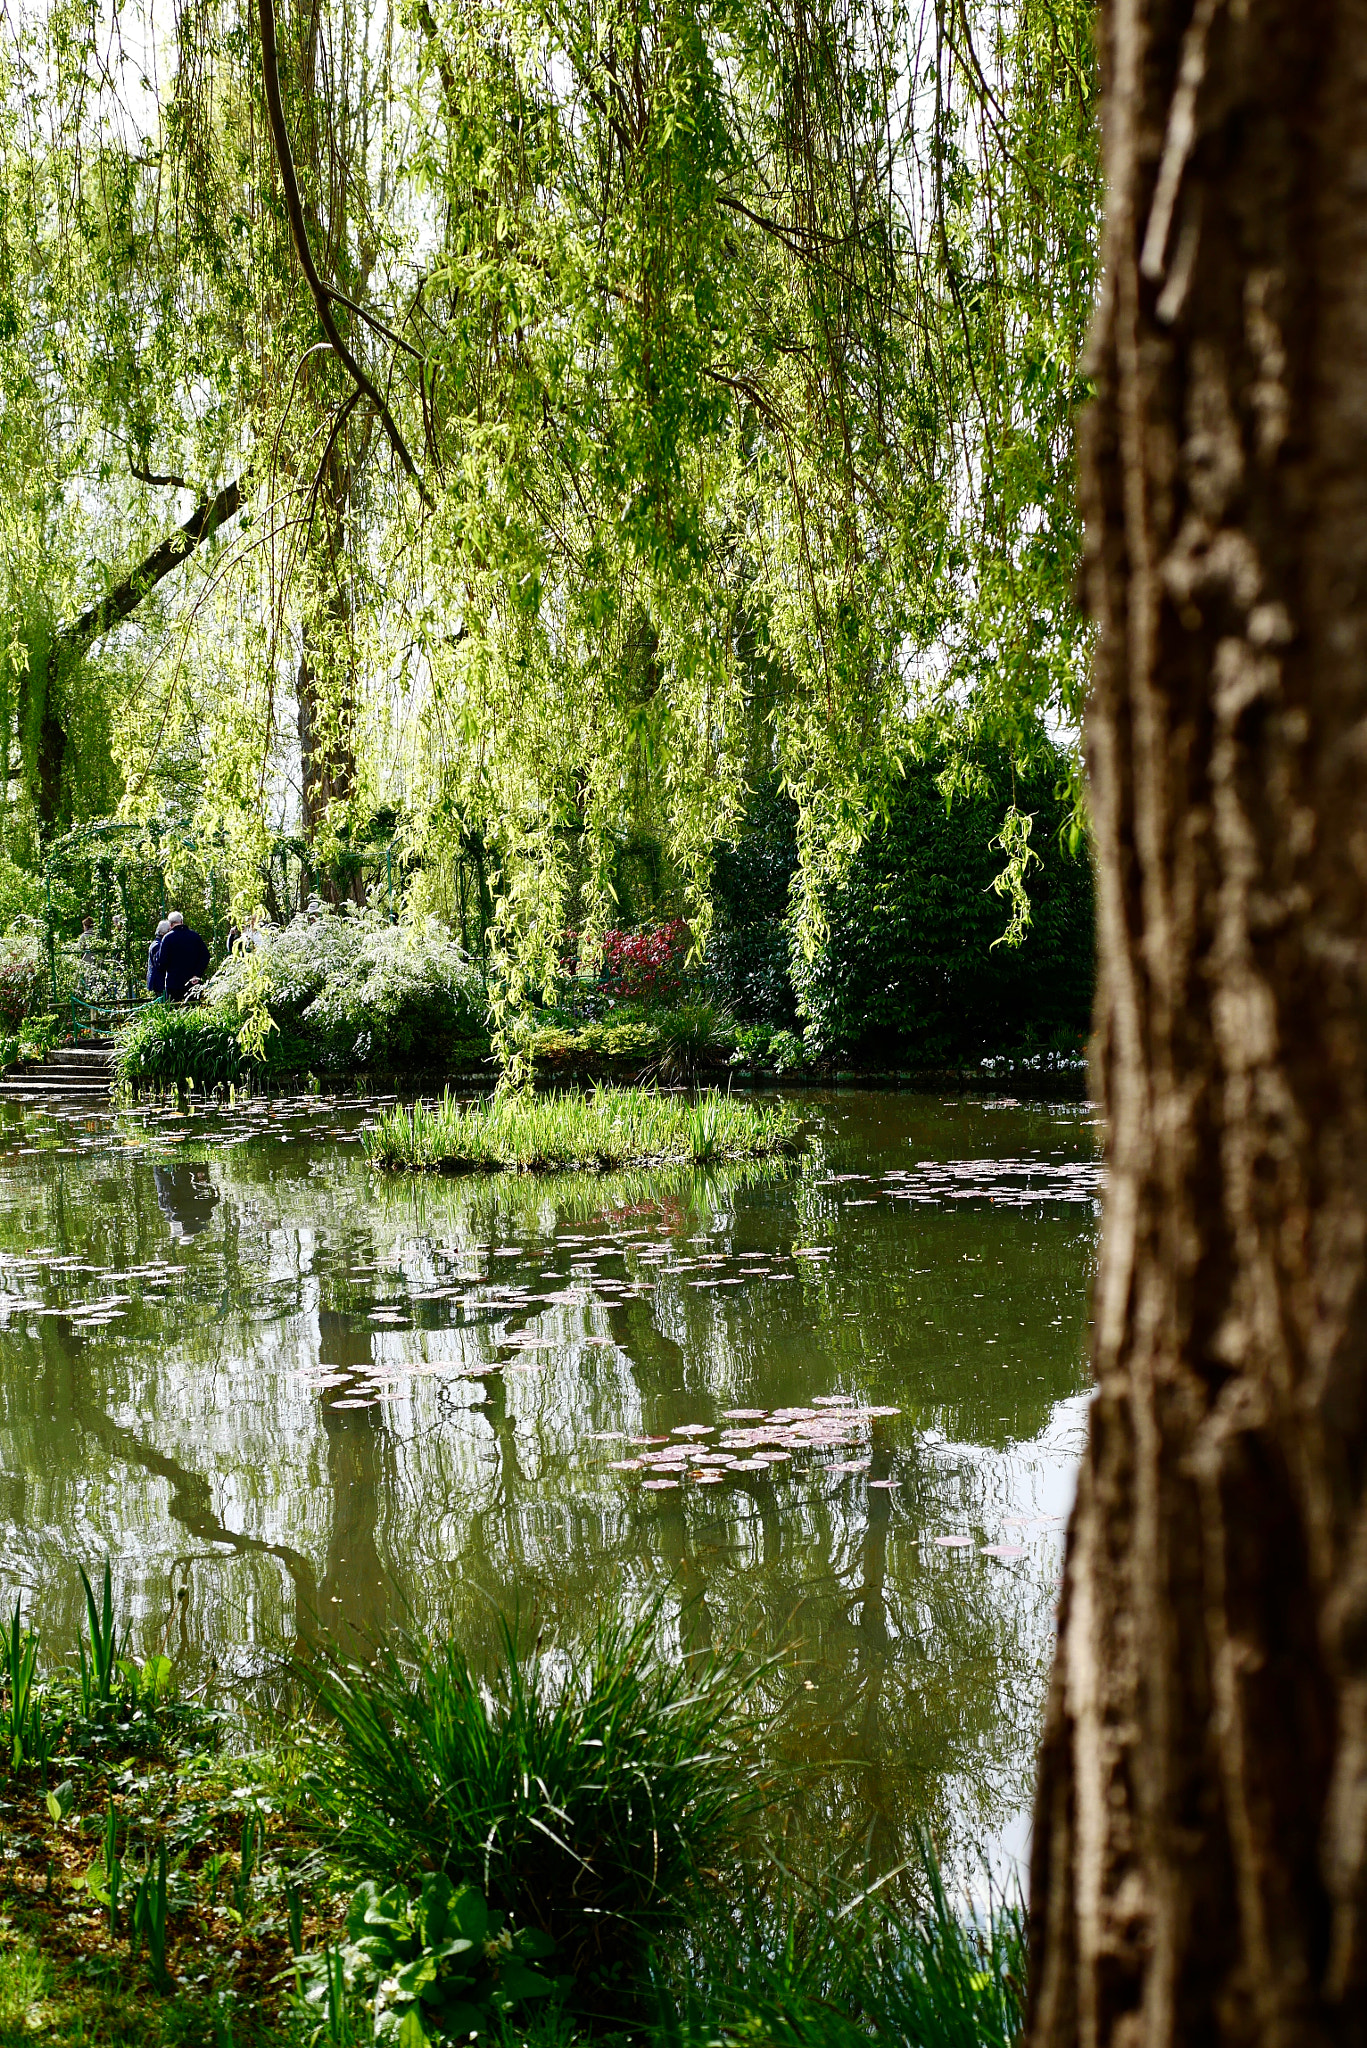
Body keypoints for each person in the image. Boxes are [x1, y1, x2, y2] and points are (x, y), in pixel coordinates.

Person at [154, 909, 210, 1000]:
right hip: (193, 982)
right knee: (193, 1009)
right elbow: (205, 956)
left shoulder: (167, 938)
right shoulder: (195, 936)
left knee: (174, 1010)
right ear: (182, 922)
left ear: (170, 924)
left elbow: (161, 962)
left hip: (173, 983)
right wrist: (197, 974)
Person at [146, 918, 171, 993]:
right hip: (158, 983)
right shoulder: (158, 946)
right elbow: (160, 964)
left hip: (157, 982)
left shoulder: (156, 943)